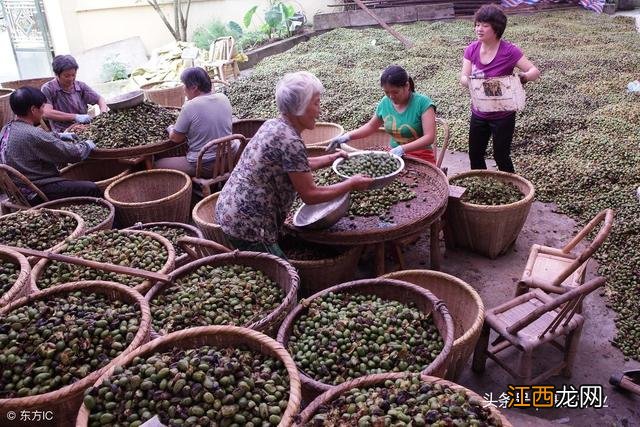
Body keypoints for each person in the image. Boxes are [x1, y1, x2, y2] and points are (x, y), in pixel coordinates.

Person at [215, 71, 373, 257]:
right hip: (250, 225)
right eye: (316, 103)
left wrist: (331, 159)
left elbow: (295, 166)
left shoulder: (272, 125)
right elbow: (310, 195)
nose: (319, 110)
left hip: (230, 208)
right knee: (285, 277)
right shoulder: (290, 141)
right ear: (300, 107)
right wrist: (351, 184)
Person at [459, 4, 540, 173]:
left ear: (496, 28)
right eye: (477, 24)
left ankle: (511, 188)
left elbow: (534, 71)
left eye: (485, 25)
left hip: (503, 113)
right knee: (475, 154)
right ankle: (480, 184)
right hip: (479, 110)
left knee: (501, 155)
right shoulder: (471, 49)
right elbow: (463, 78)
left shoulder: (509, 51)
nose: (479, 29)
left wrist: (521, 79)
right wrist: (475, 83)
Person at [0, 87, 100, 202]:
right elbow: (72, 154)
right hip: (36, 192)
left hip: (17, 190)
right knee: (92, 188)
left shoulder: (6, 128)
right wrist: (87, 145)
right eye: (42, 107)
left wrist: (60, 135)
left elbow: (41, 139)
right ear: (33, 109)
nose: (43, 111)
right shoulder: (33, 134)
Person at [327, 65, 437, 164]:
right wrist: (347, 136)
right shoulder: (385, 102)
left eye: (395, 92)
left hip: (421, 156)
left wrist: (402, 149)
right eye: (386, 92)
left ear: (407, 86)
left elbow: (429, 137)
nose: (391, 97)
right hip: (394, 155)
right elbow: (371, 127)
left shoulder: (423, 103)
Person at [157, 67, 234, 177]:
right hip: (230, 158)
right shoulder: (223, 97)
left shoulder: (190, 106)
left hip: (206, 165)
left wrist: (170, 128)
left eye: (184, 85)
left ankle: (186, 191)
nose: (183, 89)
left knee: (157, 164)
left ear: (194, 87)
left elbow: (176, 138)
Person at [41, 55, 108, 132]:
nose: (71, 79)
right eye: (66, 76)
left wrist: (103, 115)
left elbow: (100, 99)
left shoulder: (80, 86)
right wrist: (75, 117)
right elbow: (47, 113)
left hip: (84, 127)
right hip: (62, 132)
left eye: (73, 75)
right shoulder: (48, 88)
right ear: (57, 74)